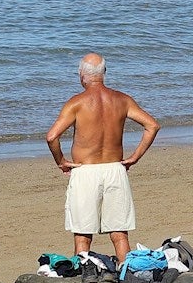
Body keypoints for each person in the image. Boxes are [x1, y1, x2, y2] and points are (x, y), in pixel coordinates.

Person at [44, 53, 160, 263]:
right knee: (119, 232)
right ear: (104, 73)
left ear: (81, 75)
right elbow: (152, 125)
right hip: (115, 169)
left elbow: (52, 136)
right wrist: (135, 157)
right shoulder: (122, 100)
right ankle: (126, 272)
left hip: (85, 171)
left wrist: (60, 161)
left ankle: (85, 275)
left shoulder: (77, 103)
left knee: (82, 232)